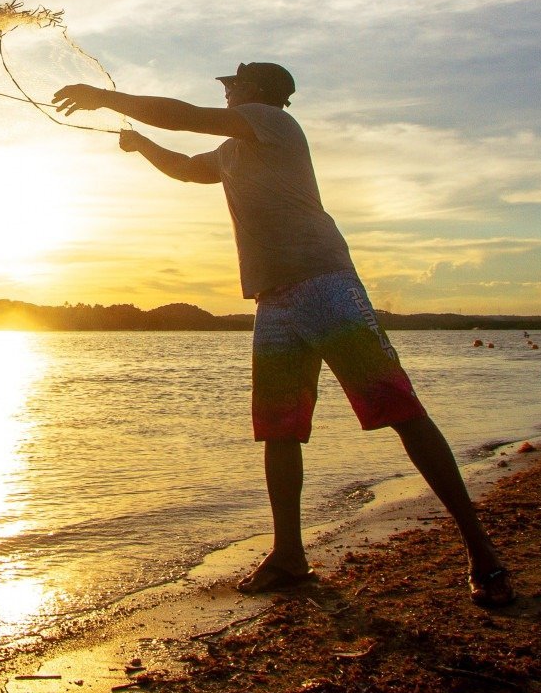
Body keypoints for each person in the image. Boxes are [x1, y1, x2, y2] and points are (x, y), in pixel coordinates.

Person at [51, 63, 513, 605]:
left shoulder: (271, 123)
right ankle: (289, 555)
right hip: (273, 300)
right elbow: (185, 167)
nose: (225, 88)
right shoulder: (232, 152)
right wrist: (142, 145)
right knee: (279, 428)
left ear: (260, 93)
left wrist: (106, 98)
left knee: (399, 411)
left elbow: (189, 117)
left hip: (325, 287)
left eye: (234, 83)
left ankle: (481, 549)